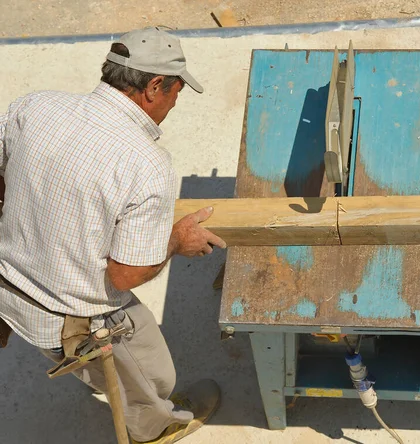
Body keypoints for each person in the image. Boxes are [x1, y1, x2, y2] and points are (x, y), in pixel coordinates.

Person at [0, 27, 226, 444]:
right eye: (177, 90)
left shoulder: (35, 106)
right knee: (155, 377)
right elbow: (125, 276)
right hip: (73, 322)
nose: (176, 101)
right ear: (154, 86)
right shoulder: (146, 163)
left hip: (8, 293)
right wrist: (177, 241)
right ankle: (154, 428)